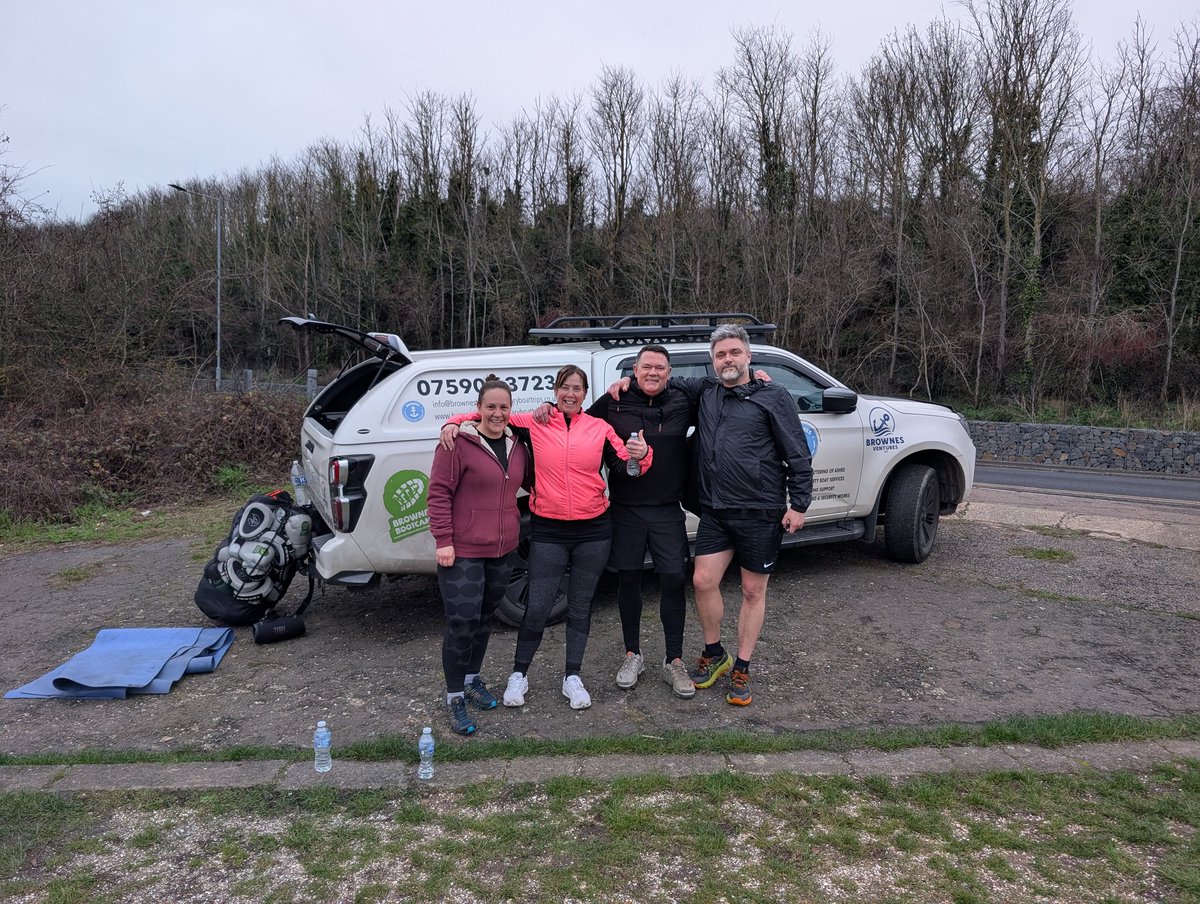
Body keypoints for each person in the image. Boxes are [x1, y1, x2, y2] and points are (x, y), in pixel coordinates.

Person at [440, 364, 651, 711]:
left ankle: (573, 677)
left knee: (581, 607)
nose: (571, 394)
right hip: (549, 528)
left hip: (594, 530)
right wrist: (452, 422)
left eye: (578, 388)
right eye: (565, 387)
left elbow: (625, 465)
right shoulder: (533, 422)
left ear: (585, 394)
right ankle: (519, 675)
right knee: (537, 606)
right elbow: (490, 415)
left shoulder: (600, 427)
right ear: (555, 391)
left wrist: (643, 458)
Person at [681, 324, 812, 706]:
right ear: (712, 361)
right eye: (721, 355)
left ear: (748, 356)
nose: (728, 360)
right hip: (716, 510)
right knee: (703, 580)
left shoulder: (774, 396)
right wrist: (623, 386)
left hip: (761, 511)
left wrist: (799, 504)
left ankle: (742, 667)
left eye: (734, 353)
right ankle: (714, 652)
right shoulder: (706, 393)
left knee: (753, 590)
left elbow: (797, 454)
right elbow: (657, 385)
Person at [580, 345, 697, 698]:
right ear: (634, 369)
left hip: (666, 508)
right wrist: (546, 410)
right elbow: (578, 423)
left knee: (674, 579)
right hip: (626, 508)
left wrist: (756, 379)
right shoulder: (614, 401)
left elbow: (724, 394)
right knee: (629, 578)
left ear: (669, 371)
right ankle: (633, 654)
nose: (653, 373)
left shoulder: (682, 400)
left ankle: (674, 660)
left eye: (660, 368)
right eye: (646, 367)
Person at [427, 376, 531, 735]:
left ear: (510, 411)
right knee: (462, 622)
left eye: (504, 407)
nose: (498, 414)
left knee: (485, 617)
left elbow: (530, 482)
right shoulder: (456, 443)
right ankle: (454, 695)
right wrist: (443, 539)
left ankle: (472, 679)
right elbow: (438, 493)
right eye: (491, 407)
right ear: (479, 409)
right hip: (464, 550)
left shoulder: (518, 445)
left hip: (503, 549)